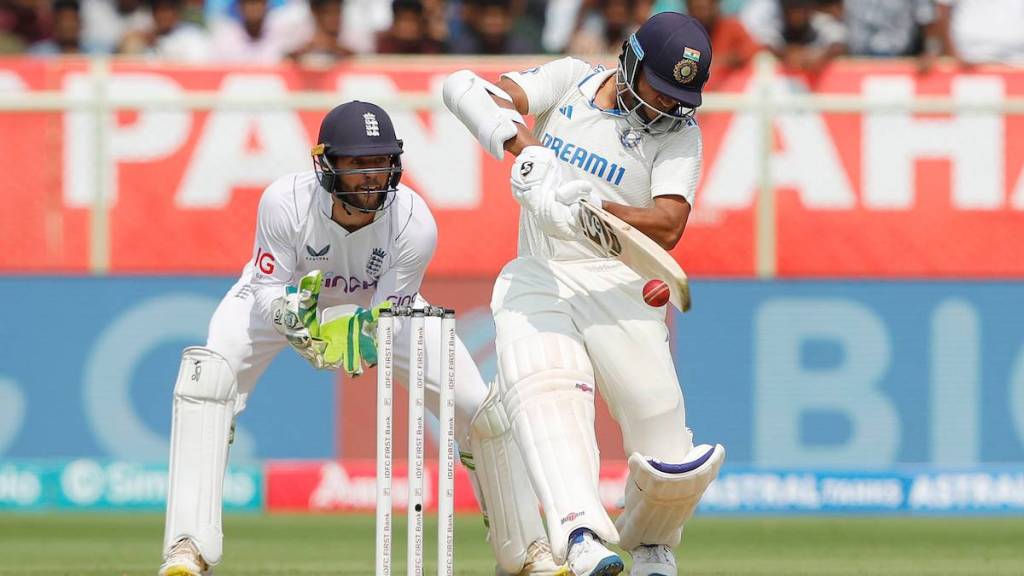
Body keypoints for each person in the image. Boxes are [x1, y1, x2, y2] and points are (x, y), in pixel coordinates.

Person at [158, 101, 566, 576]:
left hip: (379, 308)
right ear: (327, 164)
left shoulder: (414, 221)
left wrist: (364, 336)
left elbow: (389, 313)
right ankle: (188, 548)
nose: (373, 176)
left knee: (481, 407)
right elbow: (268, 285)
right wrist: (290, 317)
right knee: (206, 383)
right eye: (357, 164)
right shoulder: (283, 201)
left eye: (382, 162)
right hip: (282, 299)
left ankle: (526, 553)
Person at [443, 10, 724, 576]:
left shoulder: (679, 135)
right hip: (543, 272)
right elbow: (470, 90)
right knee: (550, 389)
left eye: (678, 98)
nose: (666, 107)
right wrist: (530, 154)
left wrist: (587, 207)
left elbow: (668, 223)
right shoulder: (571, 77)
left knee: (663, 427)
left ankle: (651, 545)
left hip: (619, 282)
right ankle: (579, 534)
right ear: (631, 62)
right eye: (659, 90)